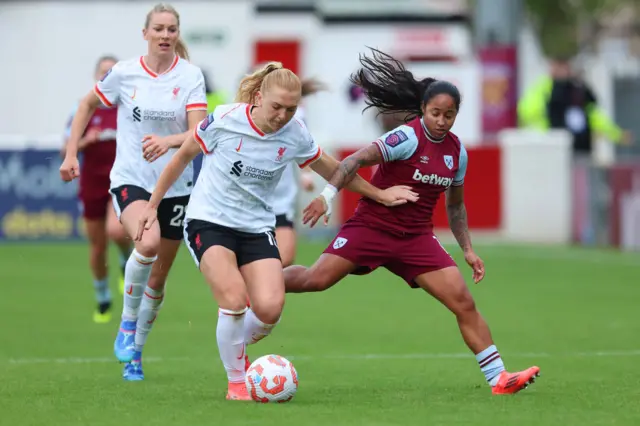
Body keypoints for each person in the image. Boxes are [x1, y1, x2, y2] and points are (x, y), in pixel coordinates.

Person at [134, 61, 418, 400]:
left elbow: (334, 170)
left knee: (269, 310)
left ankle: (234, 344)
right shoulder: (225, 119)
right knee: (234, 299)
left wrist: (380, 193)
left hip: (256, 227)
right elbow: (182, 157)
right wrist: (152, 205)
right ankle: (237, 383)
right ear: (257, 97)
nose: (283, 115)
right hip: (208, 221)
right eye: (277, 107)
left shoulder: (295, 132)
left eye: (291, 108)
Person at [284, 48, 541, 395]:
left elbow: (456, 207)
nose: (441, 120)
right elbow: (353, 161)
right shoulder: (406, 137)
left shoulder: (456, 153)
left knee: (463, 301)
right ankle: (262, 282)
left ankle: (499, 378)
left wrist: (467, 250)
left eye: (449, 115)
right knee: (316, 279)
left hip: (416, 240)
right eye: (435, 112)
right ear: (423, 109)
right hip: (372, 227)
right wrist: (327, 197)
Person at [59, 2, 208, 381]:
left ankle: (136, 353)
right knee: (147, 243)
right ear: (145, 33)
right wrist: (71, 153)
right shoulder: (124, 73)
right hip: (131, 180)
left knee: (158, 279)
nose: (164, 35)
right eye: (158, 28)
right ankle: (126, 325)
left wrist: (168, 141)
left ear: (178, 34)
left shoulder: (190, 76)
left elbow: (199, 134)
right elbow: (86, 104)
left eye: (171, 29)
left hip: (176, 186)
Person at [61, 55, 132, 324]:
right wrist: (84, 141)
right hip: (92, 182)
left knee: (116, 230)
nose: (107, 76)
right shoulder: (83, 108)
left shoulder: (127, 106)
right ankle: (102, 296)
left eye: (111, 72)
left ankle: (126, 260)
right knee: (97, 245)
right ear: (96, 77)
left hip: (121, 181)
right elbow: (65, 147)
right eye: (103, 72)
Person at [518, 56, 631, 157]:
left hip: (580, 150)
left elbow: (595, 116)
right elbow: (528, 112)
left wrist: (617, 135)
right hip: (554, 148)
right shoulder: (544, 89)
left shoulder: (578, 89)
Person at [271, 77, 325, 266]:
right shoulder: (237, 118)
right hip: (248, 202)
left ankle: (258, 290)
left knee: (285, 258)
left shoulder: (296, 118)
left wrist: (306, 174)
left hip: (280, 199)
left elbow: (304, 148)